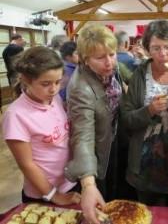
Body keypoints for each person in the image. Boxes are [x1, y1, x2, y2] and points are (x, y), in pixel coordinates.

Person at [2, 46, 80, 205]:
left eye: (58, 82)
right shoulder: (16, 115)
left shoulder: (54, 98)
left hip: (69, 183)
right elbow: (26, 164)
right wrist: (54, 195)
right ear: (25, 79)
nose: (53, 89)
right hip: (44, 194)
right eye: (45, 84)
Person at [64, 24, 123, 224]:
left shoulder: (111, 70)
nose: (109, 62)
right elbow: (83, 135)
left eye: (112, 54)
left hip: (113, 139)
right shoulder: (81, 87)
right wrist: (88, 184)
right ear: (85, 59)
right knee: (101, 207)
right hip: (96, 153)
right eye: (100, 58)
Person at [121, 20, 168, 206]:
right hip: (145, 158)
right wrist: (149, 110)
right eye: (156, 48)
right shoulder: (139, 75)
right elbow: (127, 118)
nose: (163, 54)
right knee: (149, 210)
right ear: (147, 49)